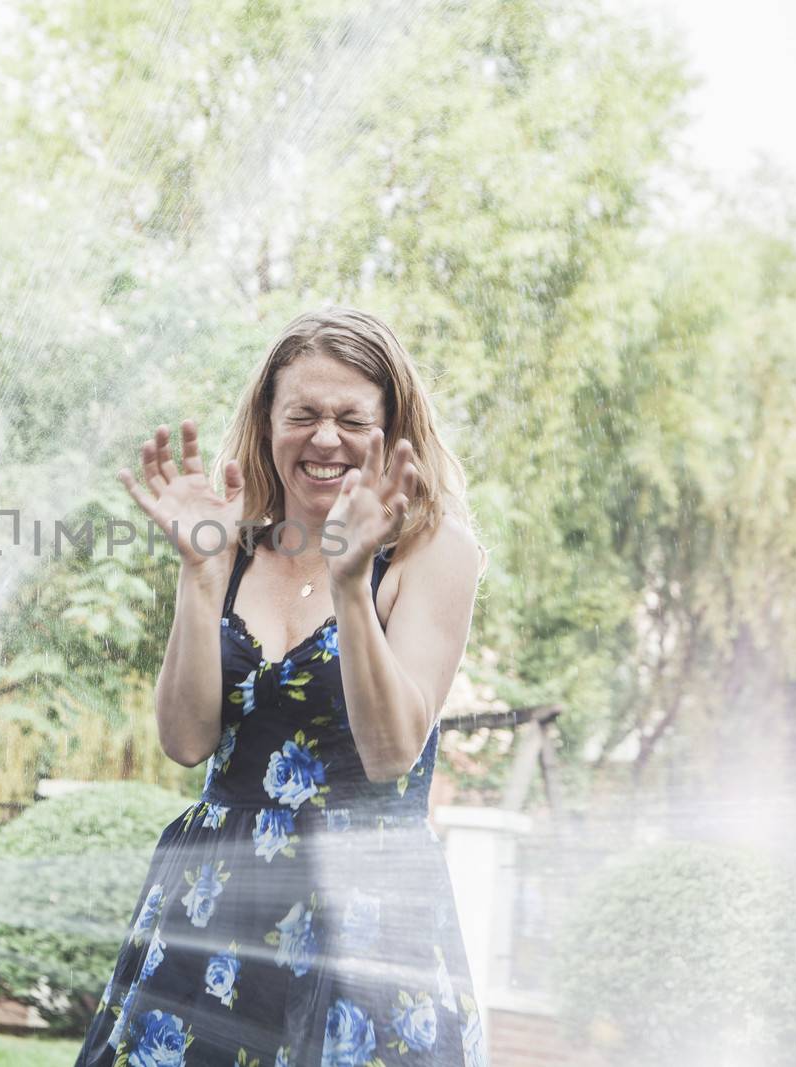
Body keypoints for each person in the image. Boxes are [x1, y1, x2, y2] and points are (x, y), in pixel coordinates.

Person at [77, 308, 489, 1067]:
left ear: (393, 431)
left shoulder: (433, 551)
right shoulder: (232, 543)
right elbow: (185, 740)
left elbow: (394, 749)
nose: (325, 438)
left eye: (350, 417)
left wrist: (350, 581)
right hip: (212, 900)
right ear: (268, 422)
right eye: (302, 414)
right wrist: (198, 580)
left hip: (361, 917)